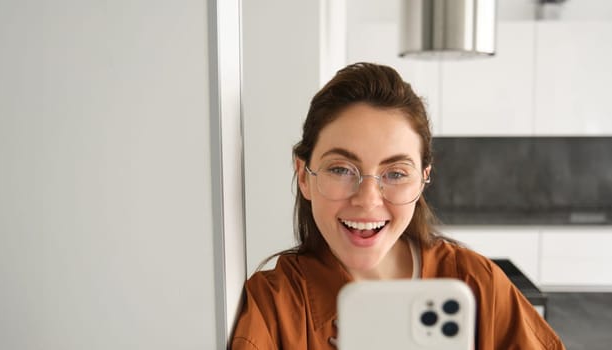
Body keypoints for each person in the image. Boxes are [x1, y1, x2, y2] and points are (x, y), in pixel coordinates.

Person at [229, 62, 564, 349]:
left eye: (396, 173)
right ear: (304, 176)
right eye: (341, 169)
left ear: (422, 180)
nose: (368, 200)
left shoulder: (478, 284)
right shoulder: (272, 307)